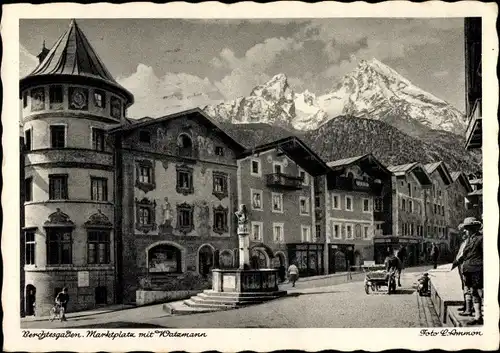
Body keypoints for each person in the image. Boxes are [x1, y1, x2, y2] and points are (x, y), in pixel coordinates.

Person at [451, 217, 483, 325]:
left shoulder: (481, 239)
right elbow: (464, 254)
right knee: (473, 291)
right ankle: (477, 316)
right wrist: (457, 262)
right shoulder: (468, 240)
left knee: (479, 291)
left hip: (477, 268)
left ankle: (479, 315)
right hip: (469, 269)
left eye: (468, 228)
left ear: (473, 228)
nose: (466, 231)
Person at [454, 228, 470, 313]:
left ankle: (468, 307)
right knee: (464, 286)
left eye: (464, 232)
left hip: (466, 266)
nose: (462, 234)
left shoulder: (469, 242)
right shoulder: (463, 242)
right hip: (461, 266)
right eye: (462, 233)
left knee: (467, 286)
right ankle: (465, 305)